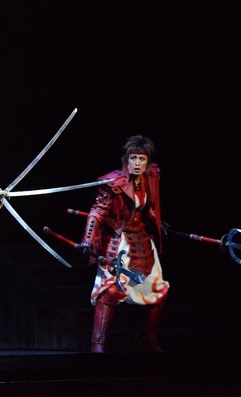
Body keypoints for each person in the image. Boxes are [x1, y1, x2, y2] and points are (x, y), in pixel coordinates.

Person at [78, 134, 169, 353]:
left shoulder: (151, 177)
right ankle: (97, 344)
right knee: (110, 291)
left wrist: (158, 223)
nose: (137, 163)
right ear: (126, 160)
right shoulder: (113, 184)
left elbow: (148, 207)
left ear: (147, 162)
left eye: (141, 159)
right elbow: (97, 212)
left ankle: (148, 339)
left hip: (142, 240)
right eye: (133, 158)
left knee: (158, 291)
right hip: (117, 242)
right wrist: (87, 239)